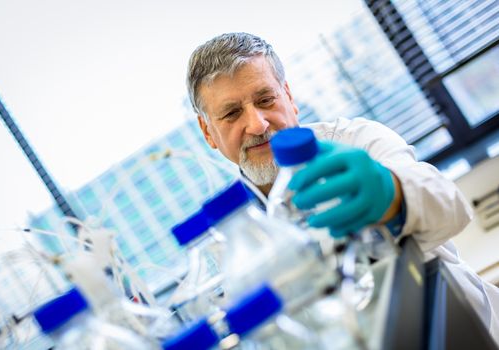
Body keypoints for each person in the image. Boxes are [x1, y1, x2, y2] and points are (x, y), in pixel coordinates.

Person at [186, 32, 499, 343]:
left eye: (266, 100)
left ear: (289, 97)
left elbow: (451, 207)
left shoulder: (355, 141)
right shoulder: (227, 233)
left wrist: (393, 193)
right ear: (208, 132)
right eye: (231, 113)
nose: (258, 125)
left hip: (466, 329)